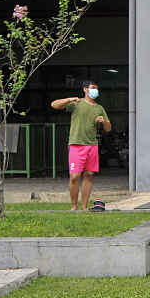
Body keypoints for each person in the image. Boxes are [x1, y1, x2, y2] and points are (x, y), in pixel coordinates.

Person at [51, 80, 111, 212]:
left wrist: (104, 121)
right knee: (75, 176)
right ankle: (74, 206)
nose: (95, 90)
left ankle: (84, 207)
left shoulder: (99, 108)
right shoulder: (76, 103)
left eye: (96, 88)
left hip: (92, 145)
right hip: (76, 144)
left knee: (89, 175)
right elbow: (54, 105)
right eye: (92, 87)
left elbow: (108, 128)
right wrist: (69, 99)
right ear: (85, 89)